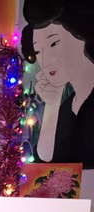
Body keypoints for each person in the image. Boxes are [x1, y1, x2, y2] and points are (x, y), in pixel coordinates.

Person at [21, 0, 94, 168]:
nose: (45, 61)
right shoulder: (68, 106)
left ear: (82, 36)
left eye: (54, 43)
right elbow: (46, 164)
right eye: (38, 51)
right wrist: (52, 106)